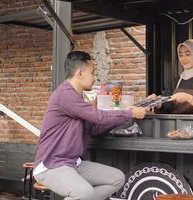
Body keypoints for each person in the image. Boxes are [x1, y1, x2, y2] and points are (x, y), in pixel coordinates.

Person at [33, 51, 148, 200]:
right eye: (92, 72)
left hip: (73, 163)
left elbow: (94, 128)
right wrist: (129, 113)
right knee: (84, 193)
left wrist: (121, 118)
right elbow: (98, 117)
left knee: (117, 178)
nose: (95, 78)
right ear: (80, 73)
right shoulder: (64, 94)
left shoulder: (78, 97)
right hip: (52, 165)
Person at [150, 39, 193, 115]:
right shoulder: (175, 82)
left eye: (188, 54)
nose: (183, 59)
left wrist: (188, 98)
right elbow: (167, 107)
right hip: (175, 126)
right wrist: (158, 103)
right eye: (180, 55)